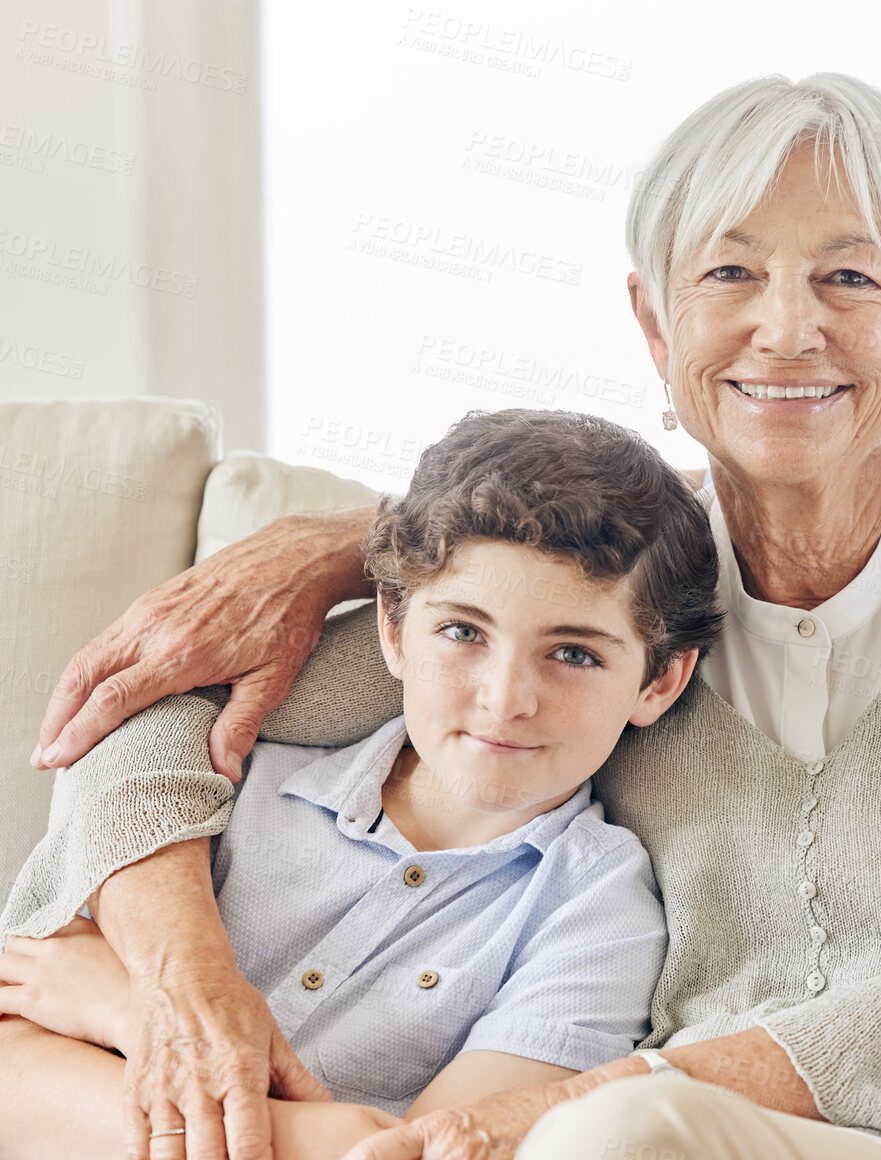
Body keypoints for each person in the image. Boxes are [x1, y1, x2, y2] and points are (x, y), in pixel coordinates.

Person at [5, 73, 881, 1160]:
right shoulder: (608, 588)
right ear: (655, 325)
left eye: (851, 279)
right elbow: (168, 724)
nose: (788, 328)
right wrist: (182, 989)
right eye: (728, 275)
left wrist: (567, 1106)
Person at [0, 409, 713, 1158]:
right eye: (464, 632)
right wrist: (324, 1130)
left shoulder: (601, 914)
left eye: (573, 654)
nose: (505, 699)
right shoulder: (232, 784)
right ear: (395, 630)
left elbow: (423, 1154)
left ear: (659, 681)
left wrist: (127, 1011)